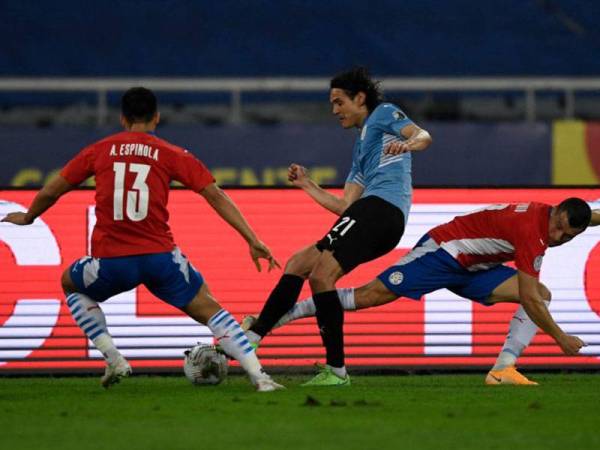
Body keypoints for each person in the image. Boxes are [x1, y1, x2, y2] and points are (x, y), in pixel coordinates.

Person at [1, 87, 284, 392]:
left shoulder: (98, 150)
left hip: (112, 263)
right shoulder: (171, 153)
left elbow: (51, 191)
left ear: (123, 118)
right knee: (210, 308)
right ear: (157, 118)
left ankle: (113, 358)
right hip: (159, 259)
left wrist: (29, 216)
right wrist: (252, 238)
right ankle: (261, 378)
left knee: (70, 282)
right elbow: (215, 195)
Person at [249, 198, 600, 385]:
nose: (558, 237)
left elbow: (591, 217)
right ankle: (273, 320)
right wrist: (559, 337)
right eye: (557, 228)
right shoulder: (532, 233)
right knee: (369, 296)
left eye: (567, 235)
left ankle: (503, 370)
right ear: (554, 213)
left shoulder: (559, 220)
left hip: (474, 268)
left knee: (543, 293)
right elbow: (527, 297)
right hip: (443, 252)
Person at [243, 67, 432, 386]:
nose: (335, 111)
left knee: (321, 276)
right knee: (300, 262)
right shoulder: (361, 151)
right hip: (367, 212)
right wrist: (307, 185)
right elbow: (345, 206)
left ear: (360, 98)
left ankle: (336, 370)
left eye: (339, 102)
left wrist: (408, 145)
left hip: (382, 211)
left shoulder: (384, 113)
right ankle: (256, 337)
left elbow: (423, 136)